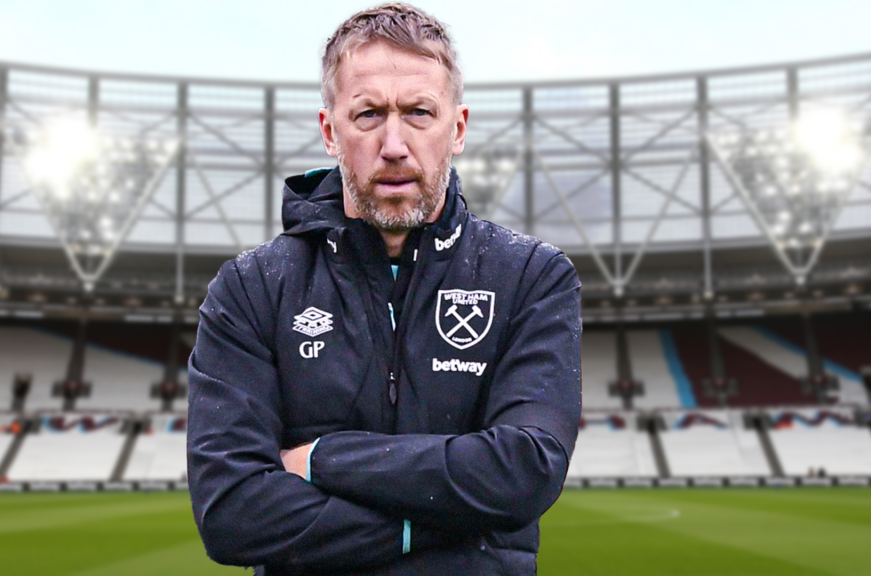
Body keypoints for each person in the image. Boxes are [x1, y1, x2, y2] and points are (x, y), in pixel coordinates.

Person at [187, 4, 582, 575]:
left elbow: (524, 471)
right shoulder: (251, 289)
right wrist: (458, 522)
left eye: (419, 112)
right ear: (330, 131)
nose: (394, 143)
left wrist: (322, 459)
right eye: (368, 114)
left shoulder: (530, 277)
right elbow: (233, 512)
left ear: (458, 128)